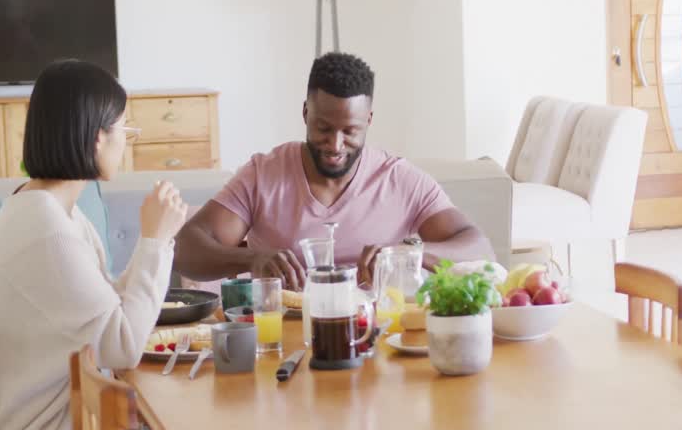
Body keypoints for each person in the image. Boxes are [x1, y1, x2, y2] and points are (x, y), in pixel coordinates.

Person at [0, 59, 198, 430]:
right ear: (97, 136)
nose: (125, 142)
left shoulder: (53, 212)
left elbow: (107, 307)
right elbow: (122, 344)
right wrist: (154, 239)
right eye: (123, 131)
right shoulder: (43, 228)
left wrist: (158, 240)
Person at [173, 52, 492, 288]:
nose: (336, 145)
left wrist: (405, 255)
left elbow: (480, 250)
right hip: (284, 340)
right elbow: (187, 250)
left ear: (368, 121)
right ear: (305, 113)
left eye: (350, 131)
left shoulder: (400, 180)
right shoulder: (263, 175)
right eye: (323, 128)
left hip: (375, 339)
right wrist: (252, 259)